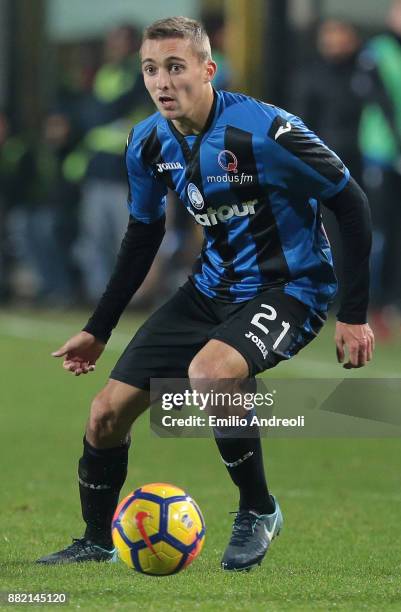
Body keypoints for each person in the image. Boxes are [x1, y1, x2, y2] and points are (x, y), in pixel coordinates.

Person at [37, 17, 374, 571]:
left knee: (212, 373)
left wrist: (354, 314)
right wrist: (98, 329)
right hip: (209, 288)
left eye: (175, 67)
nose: (162, 82)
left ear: (207, 70)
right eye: (150, 69)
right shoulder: (147, 142)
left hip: (291, 288)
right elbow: (142, 236)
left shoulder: (267, 130)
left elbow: (351, 202)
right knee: (104, 414)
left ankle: (258, 510)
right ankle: (97, 541)